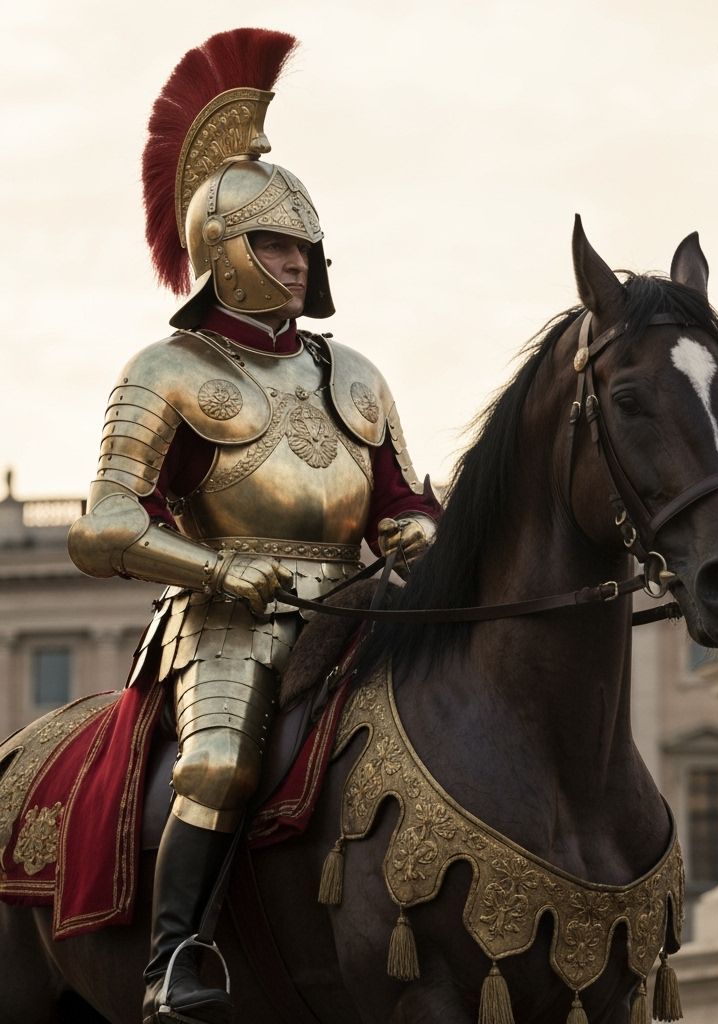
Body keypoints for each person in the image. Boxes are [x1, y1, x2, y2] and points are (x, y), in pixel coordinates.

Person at [66, 29, 441, 1024]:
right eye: (273, 245)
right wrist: (214, 572)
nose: (295, 262)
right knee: (222, 762)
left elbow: (402, 497)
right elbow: (106, 523)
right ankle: (174, 958)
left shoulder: (353, 373)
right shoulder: (168, 371)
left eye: (303, 247)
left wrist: (414, 534)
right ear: (221, 254)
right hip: (230, 614)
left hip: (361, 608)